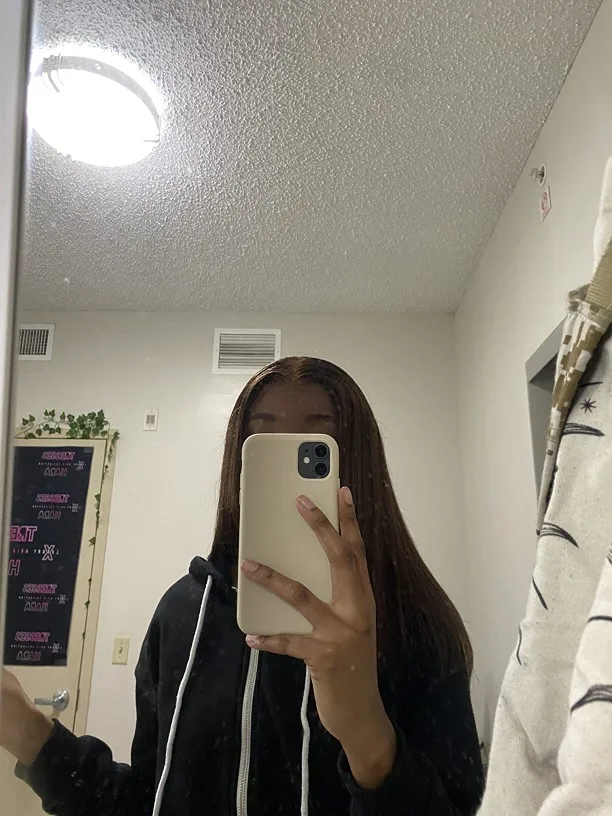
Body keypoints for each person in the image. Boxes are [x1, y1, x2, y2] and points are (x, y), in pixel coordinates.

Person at [0, 357, 484, 815]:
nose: (288, 478)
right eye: (262, 444)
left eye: (317, 445)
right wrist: (27, 731)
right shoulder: (181, 613)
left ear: (358, 466)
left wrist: (367, 734)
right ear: (238, 464)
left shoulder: (416, 622)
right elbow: (150, 800)